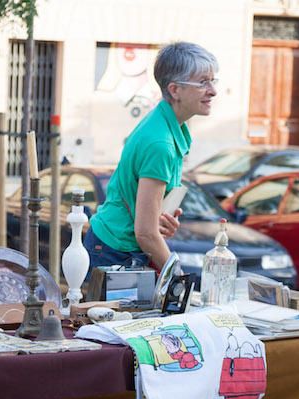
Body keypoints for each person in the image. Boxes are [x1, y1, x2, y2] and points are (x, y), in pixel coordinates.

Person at [85, 41, 218, 272]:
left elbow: (148, 222)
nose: (213, 90)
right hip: (114, 251)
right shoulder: (160, 143)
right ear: (175, 90)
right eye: (202, 82)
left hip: (114, 246)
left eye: (212, 80)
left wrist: (160, 218)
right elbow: (146, 233)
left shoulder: (164, 124)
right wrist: (176, 274)